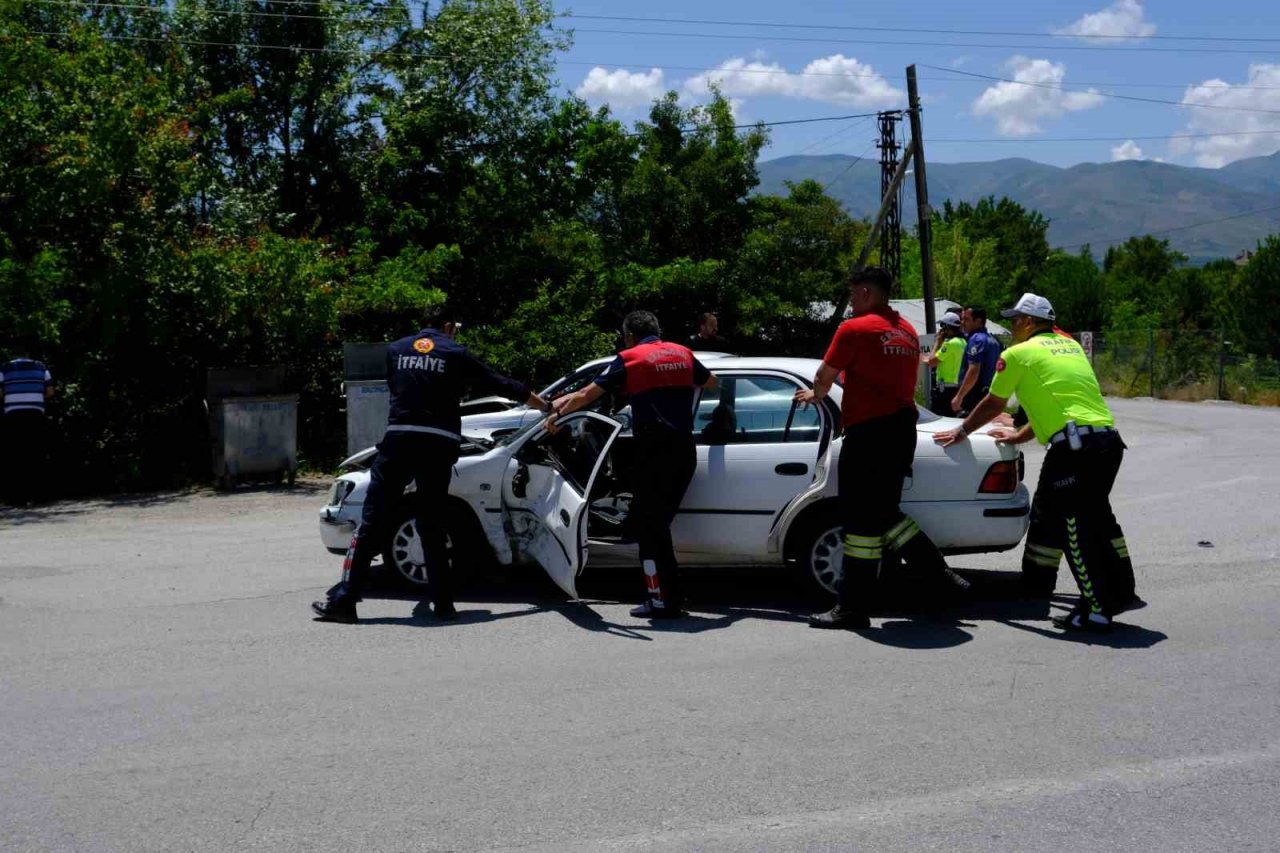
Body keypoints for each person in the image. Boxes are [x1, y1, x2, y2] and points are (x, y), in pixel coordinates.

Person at [312, 313, 551, 624]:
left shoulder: (396, 349)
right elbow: (501, 384)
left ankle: (345, 602)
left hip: (399, 441)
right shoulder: (454, 352)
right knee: (432, 523)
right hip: (437, 447)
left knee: (372, 521)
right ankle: (442, 603)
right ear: (449, 327)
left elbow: (398, 389)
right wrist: (545, 406)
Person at [934, 293, 1142, 633]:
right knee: (1097, 519)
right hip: (1104, 442)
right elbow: (1057, 405)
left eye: (1016, 319)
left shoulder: (1017, 354)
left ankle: (1097, 609)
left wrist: (962, 430)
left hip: (1075, 449)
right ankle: (1119, 590)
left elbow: (991, 403)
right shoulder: (1070, 347)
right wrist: (1020, 436)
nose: (1012, 325)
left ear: (1030, 322)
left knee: (1074, 527)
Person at [796, 267, 969, 630]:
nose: (851, 303)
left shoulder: (855, 328)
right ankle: (935, 574)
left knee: (860, 518)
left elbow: (825, 375)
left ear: (864, 293)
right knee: (882, 512)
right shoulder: (905, 330)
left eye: (853, 295)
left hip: (869, 433)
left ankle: (855, 608)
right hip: (901, 430)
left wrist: (818, 394)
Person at [550, 311, 718, 619]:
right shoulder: (682, 353)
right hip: (684, 452)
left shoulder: (630, 358)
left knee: (650, 529)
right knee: (657, 526)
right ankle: (670, 595)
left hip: (654, 454)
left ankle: (662, 600)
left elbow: (589, 394)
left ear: (629, 336)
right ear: (657, 330)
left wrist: (558, 416)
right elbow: (710, 382)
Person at [0, 350, 55, 506]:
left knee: (15, 456)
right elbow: (50, 391)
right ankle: (40, 496)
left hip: (13, 415)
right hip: (35, 413)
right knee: (36, 454)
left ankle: (17, 499)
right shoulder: (41, 367)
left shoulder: (5, 368)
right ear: (28, 353)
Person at [952, 306, 1001, 416]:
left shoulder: (976, 339)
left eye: (966, 319)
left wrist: (959, 396)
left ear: (978, 321)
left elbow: (973, 370)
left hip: (974, 397)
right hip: (987, 394)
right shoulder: (993, 340)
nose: (962, 323)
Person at [924, 311, 965, 417]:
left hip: (946, 389)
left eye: (942, 327)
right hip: (956, 386)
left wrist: (937, 342)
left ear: (947, 327)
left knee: (940, 418)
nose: (941, 330)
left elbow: (932, 362)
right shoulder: (963, 342)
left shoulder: (950, 344)